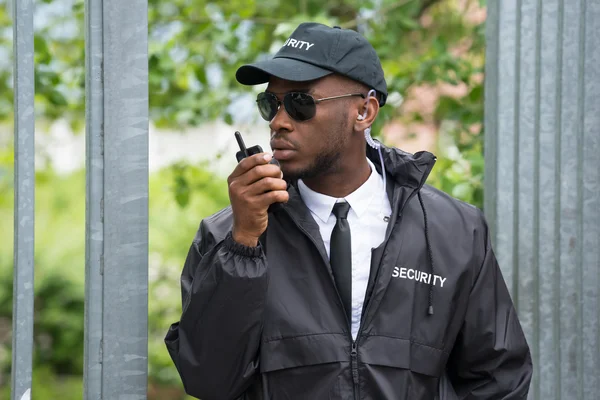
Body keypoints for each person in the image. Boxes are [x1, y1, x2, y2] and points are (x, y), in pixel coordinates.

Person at [165, 22, 532, 400]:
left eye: (300, 102)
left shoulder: (454, 230)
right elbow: (208, 380)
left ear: (364, 112)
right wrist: (243, 244)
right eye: (270, 104)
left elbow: (498, 380)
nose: (279, 121)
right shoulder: (227, 236)